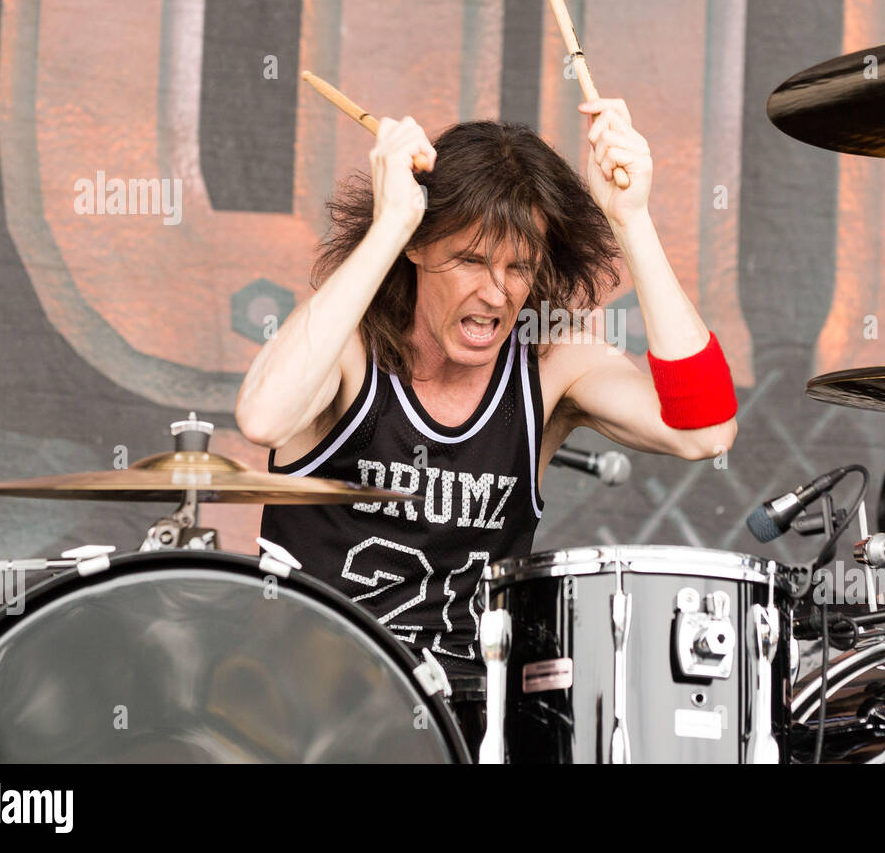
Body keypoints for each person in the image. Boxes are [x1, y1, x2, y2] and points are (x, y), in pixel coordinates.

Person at [236, 99, 738, 676]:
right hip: (306, 710)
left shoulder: (551, 363)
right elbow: (263, 419)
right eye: (471, 260)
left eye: (518, 267)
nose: (497, 293)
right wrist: (392, 223)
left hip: (470, 729)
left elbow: (705, 432)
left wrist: (633, 220)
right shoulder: (346, 347)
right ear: (417, 248)